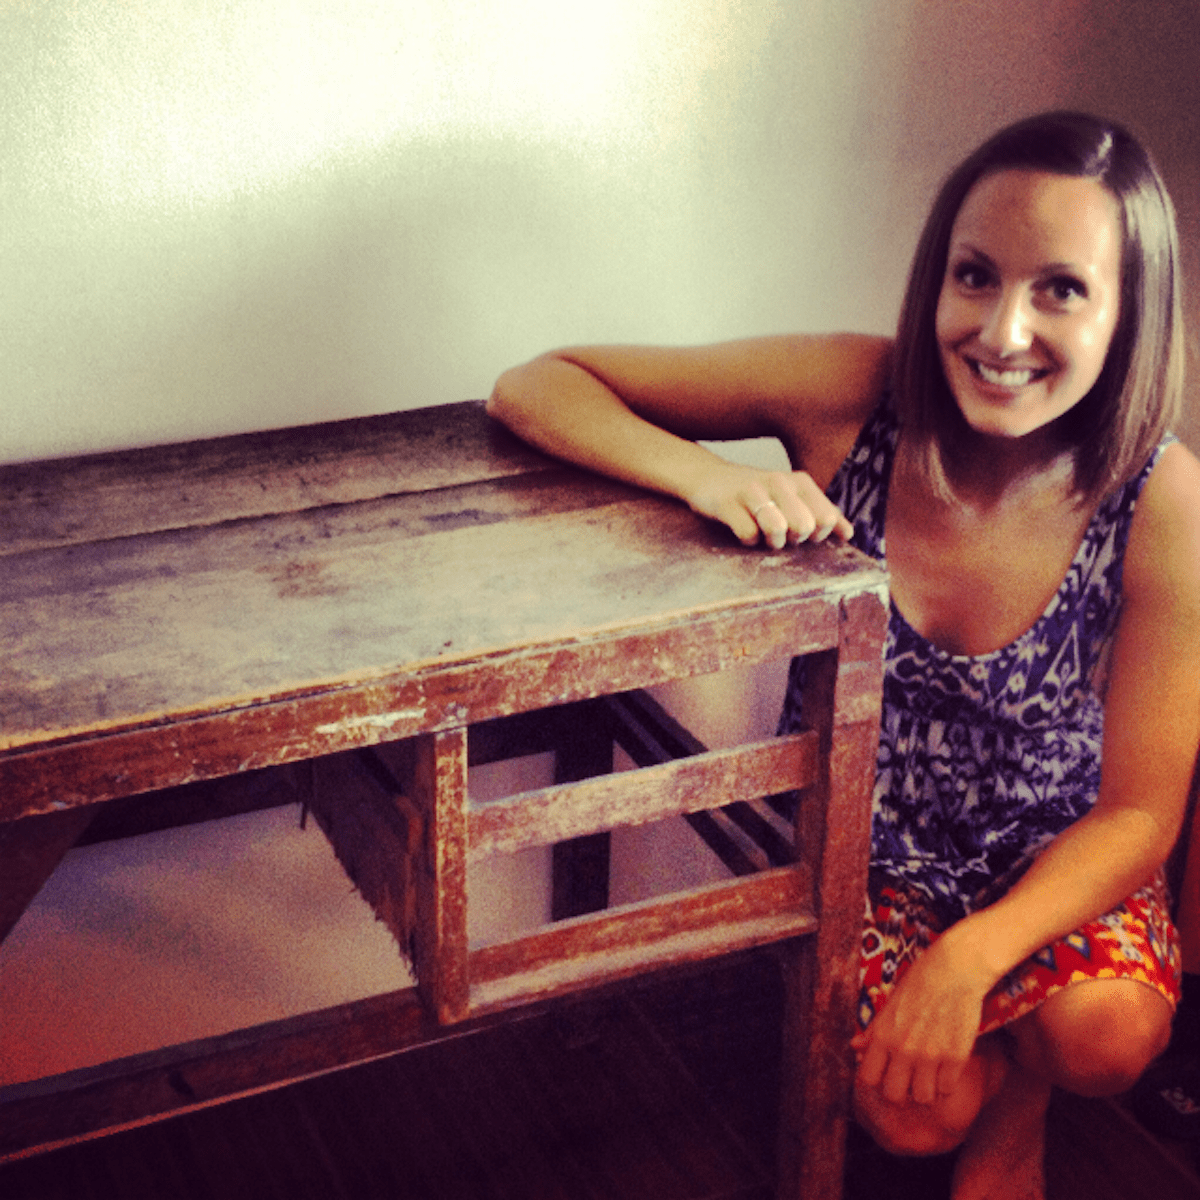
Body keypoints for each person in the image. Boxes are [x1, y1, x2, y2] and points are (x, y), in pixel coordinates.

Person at [487, 111, 1200, 1199]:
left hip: (1056, 864)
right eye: (976, 276)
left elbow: (1143, 817)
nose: (1004, 332)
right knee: (916, 1119)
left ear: (1130, 316)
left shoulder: (1165, 498)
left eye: (1062, 288)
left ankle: (1025, 1108)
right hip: (864, 848)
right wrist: (707, 476)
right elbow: (536, 385)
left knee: (1104, 1035)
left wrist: (971, 958)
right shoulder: (856, 394)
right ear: (936, 281)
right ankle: (986, 1087)